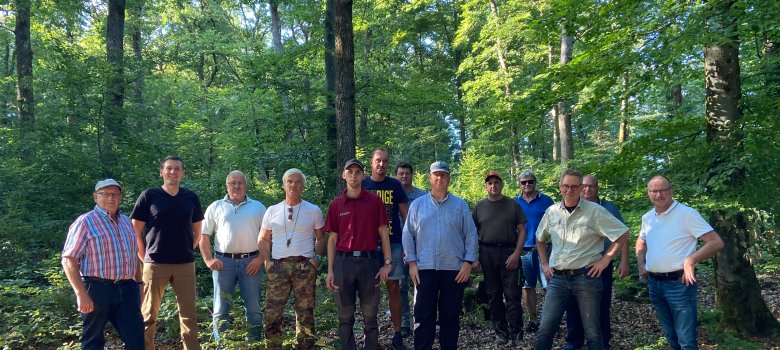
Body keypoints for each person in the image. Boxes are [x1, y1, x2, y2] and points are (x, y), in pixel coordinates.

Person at [534, 169, 629, 350]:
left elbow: (623, 233)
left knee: (593, 331)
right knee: (545, 328)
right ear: (560, 187)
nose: (570, 190)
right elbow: (539, 238)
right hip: (558, 279)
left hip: (587, 278)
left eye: (574, 186)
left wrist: (605, 260)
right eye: (566, 186)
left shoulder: (595, 211)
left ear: (580, 188)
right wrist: (545, 264)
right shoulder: (552, 211)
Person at [637, 175, 724, 350]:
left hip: (679, 284)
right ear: (648, 193)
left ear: (671, 191)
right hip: (654, 283)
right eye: (654, 191)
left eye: (663, 190)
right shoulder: (648, 217)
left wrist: (690, 261)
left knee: (686, 339)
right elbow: (641, 241)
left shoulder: (687, 214)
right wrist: (641, 265)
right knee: (671, 335)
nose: (659, 194)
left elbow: (716, 242)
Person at [403, 161, 478, 350]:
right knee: (423, 315)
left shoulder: (460, 205)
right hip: (424, 269)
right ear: (430, 178)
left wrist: (468, 263)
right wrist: (411, 263)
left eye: (443, 175)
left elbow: (471, 235)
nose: (439, 178)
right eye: (436, 174)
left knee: (450, 316)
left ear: (448, 178)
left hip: (454, 270)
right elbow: (407, 235)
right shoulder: (417, 206)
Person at [61, 179, 144, 350]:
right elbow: (68, 259)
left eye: (115, 194)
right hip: (97, 289)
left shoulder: (127, 222)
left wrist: (139, 283)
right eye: (105, 194)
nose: (111, 198)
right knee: (93, 341)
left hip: (128, 289)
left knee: (136, 339)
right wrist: (81, 293)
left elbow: (133, 255)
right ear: (95, 197)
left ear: (120, 197)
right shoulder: (85, 222)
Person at [132, 156, 204, 350]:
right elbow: (135, 231)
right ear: (161, 172)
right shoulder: (149, 196)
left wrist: (189, 248)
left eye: (177, 169)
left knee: (189, 314)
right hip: (155, 263)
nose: (173, 172)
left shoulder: (191, 197)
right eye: (169, 168)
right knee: (148, 314)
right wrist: (144, 256)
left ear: (182, 173)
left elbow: (198, 231)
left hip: (185, 264)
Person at [325, 158, 393, 350]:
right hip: (343, 264)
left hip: (369, 263)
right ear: (344, 175)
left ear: (363, 175)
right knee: (345, 317)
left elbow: (383, 233)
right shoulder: (336, 204)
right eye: (350, 172)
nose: (354, 175)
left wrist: (387, 263)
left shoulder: (374, 201)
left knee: (370, 316)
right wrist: (330, 270)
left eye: (357, 172)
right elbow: (332, 239)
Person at [259, 168, 326, 350]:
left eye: (297, 182)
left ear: (303, 186)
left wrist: (316, 259)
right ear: (283, 185)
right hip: (278, 266)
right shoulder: (272, 211)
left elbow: (321, 238)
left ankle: (305, 347)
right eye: (290, 181)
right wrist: (267, 261)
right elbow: (263, 238)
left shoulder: (313, 210)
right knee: (272, 314)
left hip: (304, 266)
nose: (293, 185)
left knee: (305, 314)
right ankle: (273, 347)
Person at [563, 174, 630, 350]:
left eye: (591, 186)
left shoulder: (608, 208)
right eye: (584, 186)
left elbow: (623, 235)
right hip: (576, 265)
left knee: (601, 305)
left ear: (597, 188)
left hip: (601, 265)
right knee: (573, 304)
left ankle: (602, 341)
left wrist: (624, 262)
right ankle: (574, 340)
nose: (587, 189)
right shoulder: (572, 207)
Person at [199, 170, 266, 344]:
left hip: (251, 262)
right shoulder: (216, 206)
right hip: (223, 263)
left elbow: (268, 237)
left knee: (253, 309)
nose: (236, 186)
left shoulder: (258, 207)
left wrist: (261, 259)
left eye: (240, 183)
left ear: (246, 185)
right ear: (227, 186)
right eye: (232, 183)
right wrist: (208, 260)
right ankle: (223, 345)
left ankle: (254, 344)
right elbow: (203, 236)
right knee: (221, 309)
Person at [472, 171, 527, 345]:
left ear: (502, 185)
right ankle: (501, 332)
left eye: (496, 182)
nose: (493, 186)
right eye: (490, 183)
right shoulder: (479, 207)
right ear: (485, 186)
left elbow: (522, 230)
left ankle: (517, 332)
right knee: (493, 295)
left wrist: (517, 253)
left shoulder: (512, 205)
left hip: (508, 251)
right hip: (486, 252)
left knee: (512, 294)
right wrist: (475, 257)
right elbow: (471, 233)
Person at [362, 148, 409, 350]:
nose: (382, 164)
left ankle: (397, 335)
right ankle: (370, 337)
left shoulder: (395, 185)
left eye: (385, 161)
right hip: (369, 246)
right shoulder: (363, 184)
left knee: (394, 289)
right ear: (371, 163)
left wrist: (409, 245)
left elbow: (407, 217)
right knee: (369, 291)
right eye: (378, 161)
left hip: (395, 243)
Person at [514, 170, 554, 332]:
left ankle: (550, 321)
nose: (527, 185)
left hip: (544, 250)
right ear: (519, 184)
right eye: (523, 182)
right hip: (523, 251)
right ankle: (533, 320)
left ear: (535, 183)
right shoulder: (514, 203)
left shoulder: (546, 201)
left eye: (530, 181)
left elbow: (556, 224)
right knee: (527, 287)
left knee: (548, 286)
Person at [394, 161, 427, 338]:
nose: (404, 176)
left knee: (420, 284)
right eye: (401, 174)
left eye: (407, 173)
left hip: (418, 246)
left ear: (412, 175)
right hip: (397, 246)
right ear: (396, 176)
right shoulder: (391, 194)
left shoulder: (422, 196)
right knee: (400, 286)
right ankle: (405, 322)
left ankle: (420, 319)